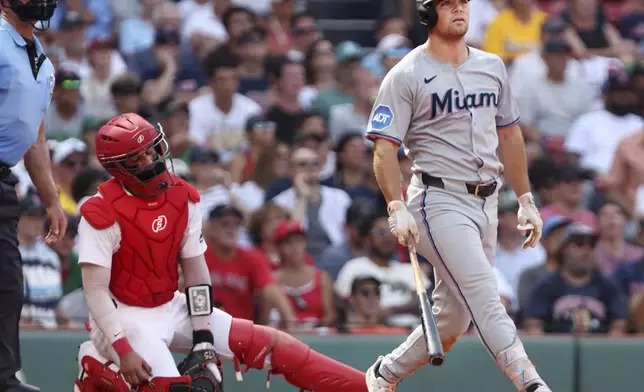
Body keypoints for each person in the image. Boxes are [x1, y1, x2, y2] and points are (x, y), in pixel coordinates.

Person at [72, 113, 368, 392]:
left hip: (170, 304)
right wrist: (122, 349)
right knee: (170, 387)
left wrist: (203, 339)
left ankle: (371, 386)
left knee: (273, 345)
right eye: (139, 158)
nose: (152, 160)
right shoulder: (99, 211)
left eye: (152, 149)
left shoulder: (181, 195)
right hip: (122, 316)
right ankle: (99, 365)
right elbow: (95, 291)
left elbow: (196, 271)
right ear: (118, 168)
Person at [363, 0, 549, 391]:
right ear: (428, 13)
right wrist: (396, 205)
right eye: (448, 4)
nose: (459, 10)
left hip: (487, 199)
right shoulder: (406, 74)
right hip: (437, 198)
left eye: (462, 2)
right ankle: (531, 384)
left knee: (454, 318)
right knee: (485, 295)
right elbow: (384, 148)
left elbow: (510, 135)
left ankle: (384, 374)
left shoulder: (492, 65)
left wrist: (527, 199)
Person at [0, 1, 68, 391]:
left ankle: (4, 380)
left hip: (4, 179)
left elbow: (36, 140)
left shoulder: (41, 59)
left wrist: (53, 200)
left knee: (8, 284)